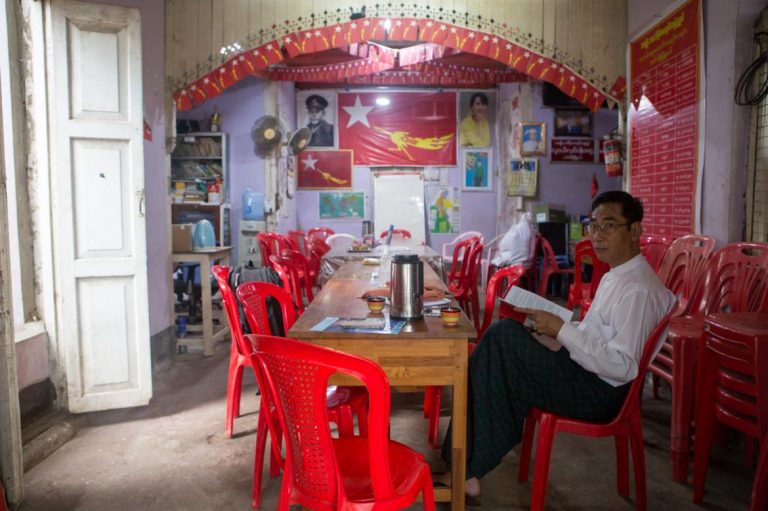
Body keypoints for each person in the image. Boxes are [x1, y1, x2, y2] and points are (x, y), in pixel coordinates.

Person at [439, 190, 676, 502]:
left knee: (501, 339)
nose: (599, 236)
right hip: (582, 372)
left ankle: (466, 466)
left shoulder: (639, 290)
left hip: (600, 393)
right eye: (593, 226)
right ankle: (465, 465)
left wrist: (562, 330)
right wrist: (554, 326)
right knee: (499, 347)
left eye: (609, 226)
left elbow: (623, 366)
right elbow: (597, 334)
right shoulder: (616, 275)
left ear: (634, 230)